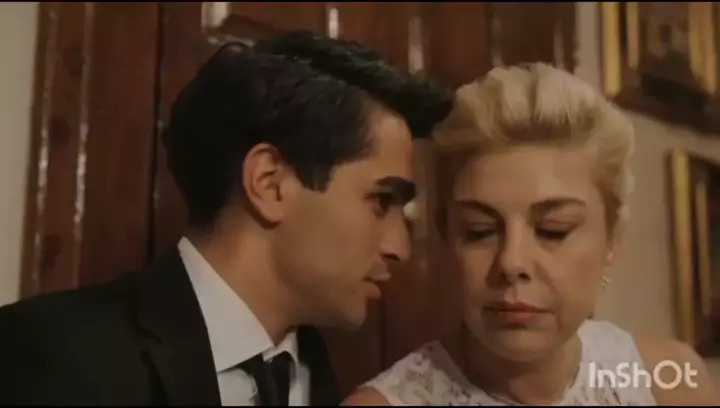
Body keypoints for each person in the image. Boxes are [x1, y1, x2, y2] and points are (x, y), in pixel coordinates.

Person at [0, 31, 453, 405]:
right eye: (381, 201)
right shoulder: (52, 352)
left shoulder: (321, 373)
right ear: (270, 182)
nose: (400, 247)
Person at [343, 63, 719, 406]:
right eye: (479, 231)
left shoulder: (670, 383)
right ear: (446, 237)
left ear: (612, 241)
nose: (512, 262)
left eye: (553, 231)